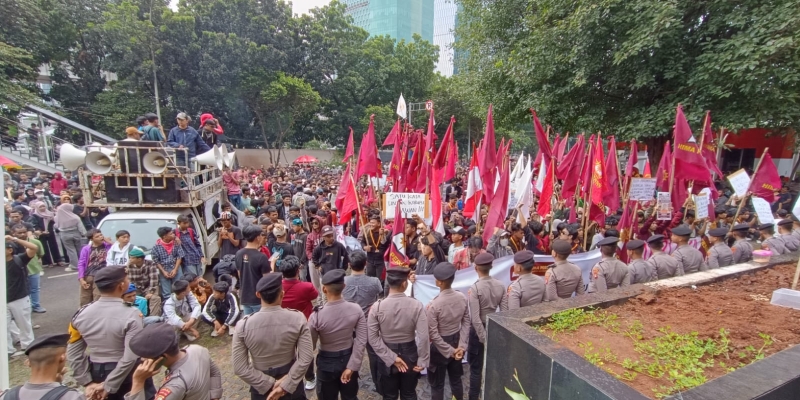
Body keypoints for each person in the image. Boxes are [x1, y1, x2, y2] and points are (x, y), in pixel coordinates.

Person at [67, 266, 156, 400]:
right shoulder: (131, 314)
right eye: (127, 280)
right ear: (121, 286)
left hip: (97, 371)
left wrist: (87, 382)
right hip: (128, 374)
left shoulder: (81, 314)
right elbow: (130, 356)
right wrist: (109, 385)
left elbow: (73, 353)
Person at [232, 273, 314, 400]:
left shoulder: (243, 326)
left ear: (258, 295)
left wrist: (269, 383)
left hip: (260, 386)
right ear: (282, 294)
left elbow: (240, 368)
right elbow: (306, 357)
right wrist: (286, 383)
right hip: (292, 379)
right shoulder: (297, 318)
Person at [367, 268, 429, 400]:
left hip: (386, 357)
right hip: (411, 356)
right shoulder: (417, 305)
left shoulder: (377, 307)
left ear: (388, 283)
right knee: (409, 394)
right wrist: (423, 359)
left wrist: (392, 357)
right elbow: (423, 337)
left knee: (389, 395)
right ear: (404, 284)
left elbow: (372, 338)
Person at [308, 269, 368, 400]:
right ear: (344, 287)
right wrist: (352, 366)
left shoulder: (316, 316)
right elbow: (361, 340)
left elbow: (309, 346)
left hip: (326, 363)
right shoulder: (356, 309)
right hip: (349, 358)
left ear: (324, 289)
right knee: (350, 396)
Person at [126, 322, 223, 400]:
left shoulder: (174, 386)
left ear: (163, 356)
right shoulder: (197, 349)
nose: (142, 360)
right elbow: (214, 372)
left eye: (145, 356)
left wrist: (138, 382)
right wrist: (215, 396)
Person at [425, 263, 469, 400]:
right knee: (456, 380)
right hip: (456, 341)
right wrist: (461, 346)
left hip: (439, 347)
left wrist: (450, 351)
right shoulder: (462, 297)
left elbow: (433, 334)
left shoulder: (434, 305)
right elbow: (466, 322)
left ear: (440, 282)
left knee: (437, 385)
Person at [277, 255, 319, 389]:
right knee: (306, 353)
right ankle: (310, 378)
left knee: (288, 354)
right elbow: (315, 300)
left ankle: (288, 379)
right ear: (297, 270)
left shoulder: (277, 288)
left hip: (283, 325)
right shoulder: (307, 287)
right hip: (304, 324)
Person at [466, 253, 504, 400]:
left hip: (478, 332)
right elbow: (505, 312)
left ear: (476, 268)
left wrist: (483, 338)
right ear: (491, 267)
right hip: (493, 327)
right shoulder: (500, 285)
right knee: (494, 367)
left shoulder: (475, 288)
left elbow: (475, 318)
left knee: (476, 370)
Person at [0, 334, 84, 400]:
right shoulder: (72, 397)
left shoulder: (6, 396)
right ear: (62, 358)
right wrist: (60, 387)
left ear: (28, 362)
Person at [5, 234, 39, 357]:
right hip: (4, 301)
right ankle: (8, 350)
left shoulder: (19, 259)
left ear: (10, 250)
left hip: (20, 298)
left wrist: (14, 239)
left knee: (24, 325)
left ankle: (28, 346)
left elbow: (34, 247)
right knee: (4, 326)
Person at [237, 224, 273, 315]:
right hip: (258, 299)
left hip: (245, 297)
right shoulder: (261, 257)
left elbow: (239, 274)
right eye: (261, 235)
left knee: (249, 324)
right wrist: (272, 263)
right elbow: (267, 280)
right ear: (257, 237)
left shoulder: (238, 253)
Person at [10, 224, 46, 313]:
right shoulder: (11, 245)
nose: (22, 234)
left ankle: (36, 305)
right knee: (23, 291)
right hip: (18, 273)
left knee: (35, 289)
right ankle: (27, 308)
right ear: (13, 233)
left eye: (24, 232)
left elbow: (40, 254)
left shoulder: (35, 242)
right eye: (19, 233)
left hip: (33, 270)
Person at [77, 229, 111, 306]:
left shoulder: (108, 246)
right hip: (88, 275)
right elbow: (81, 263)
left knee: (98, 298)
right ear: (91, 239)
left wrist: (108, 242)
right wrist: (81, 278)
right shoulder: (86, 249)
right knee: (84, 299)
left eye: (101, 235)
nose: (100, 237)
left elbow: (117, 247)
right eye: (97, 236)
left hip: (101, 276)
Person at [151, 227, 186, 299]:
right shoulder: (156, 247)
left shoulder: (176, 243)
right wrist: (163, 272)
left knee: (180, 288)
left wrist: (175, 270)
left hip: (176, 267)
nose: (173, 235)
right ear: (164, 236)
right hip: (164, 269)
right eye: (171, 234)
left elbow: (179, 257)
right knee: (166, 292)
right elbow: (156, 261)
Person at [126, 248, 162, 317]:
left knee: (155, 298)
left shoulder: (151, 264)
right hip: (136, 288)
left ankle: (153, 319)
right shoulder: (129, 265)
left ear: (139, 259)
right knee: (130, 298)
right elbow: (129, 281)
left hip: (149, 287)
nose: (130, 259)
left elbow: (153, 279)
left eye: (132, 258)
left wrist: (150, 292)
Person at [55, 203, 86, 272]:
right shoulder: (75, 217)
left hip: (64, 234)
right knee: (79, 249)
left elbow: (56, 226)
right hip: (76, 233)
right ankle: (84, 263)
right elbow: (81, 227)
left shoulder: (57, 217)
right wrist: (84, 234)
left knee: (71, 250)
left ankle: (75, 265)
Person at [360, 215, 390, 281]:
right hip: (370, 260)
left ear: (379, 224)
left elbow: (385, 244)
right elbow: (362, 242)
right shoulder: (367, 232)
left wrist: (383, 235)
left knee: (380, 281)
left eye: (373, 223)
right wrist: (364, 247)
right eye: (370, 222)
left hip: (381, 261)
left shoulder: (385, 232)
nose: (371, 224)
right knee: (370, 280)